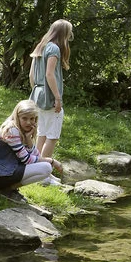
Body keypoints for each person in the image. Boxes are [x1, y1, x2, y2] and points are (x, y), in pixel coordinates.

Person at [0, 100, 62, 202]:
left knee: (45, 167)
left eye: (32, 118)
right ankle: (7, 190)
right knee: (46, 167)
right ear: (17, 117)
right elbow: (27, 160)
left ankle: (9, 190)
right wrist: (52, 161)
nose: (29, 122)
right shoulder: (12, 130)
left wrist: (29, 140)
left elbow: (36, 155)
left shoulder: (22, 129)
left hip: (5, 170)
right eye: (24, 118)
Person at [30, 19, 73, 163]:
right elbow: (50, 74)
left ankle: (37, 166)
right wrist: (57, 98)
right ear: (64, 34)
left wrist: (36, 92)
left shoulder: (40, 47)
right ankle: (45, 173)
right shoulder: (54, 49)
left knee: (42, 133)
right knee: (52, 136)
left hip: (37, 94)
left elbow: (31, 76)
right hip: (49, 97)